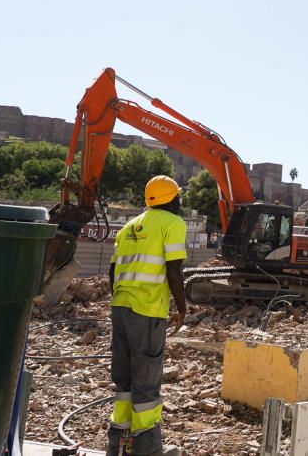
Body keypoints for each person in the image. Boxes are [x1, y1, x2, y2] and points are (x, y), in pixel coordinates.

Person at [107, 175, 187, 456]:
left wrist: (119, 301)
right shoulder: (173, 224)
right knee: (146, 384)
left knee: (124, 382)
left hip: (121, 307)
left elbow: (112, 273)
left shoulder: (128, 226)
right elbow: (174, 270)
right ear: (171, 199)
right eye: (178, 197)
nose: (180, 202)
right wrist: (182, 307)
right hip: (147, 309)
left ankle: (118, 446)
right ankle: (148, 450)